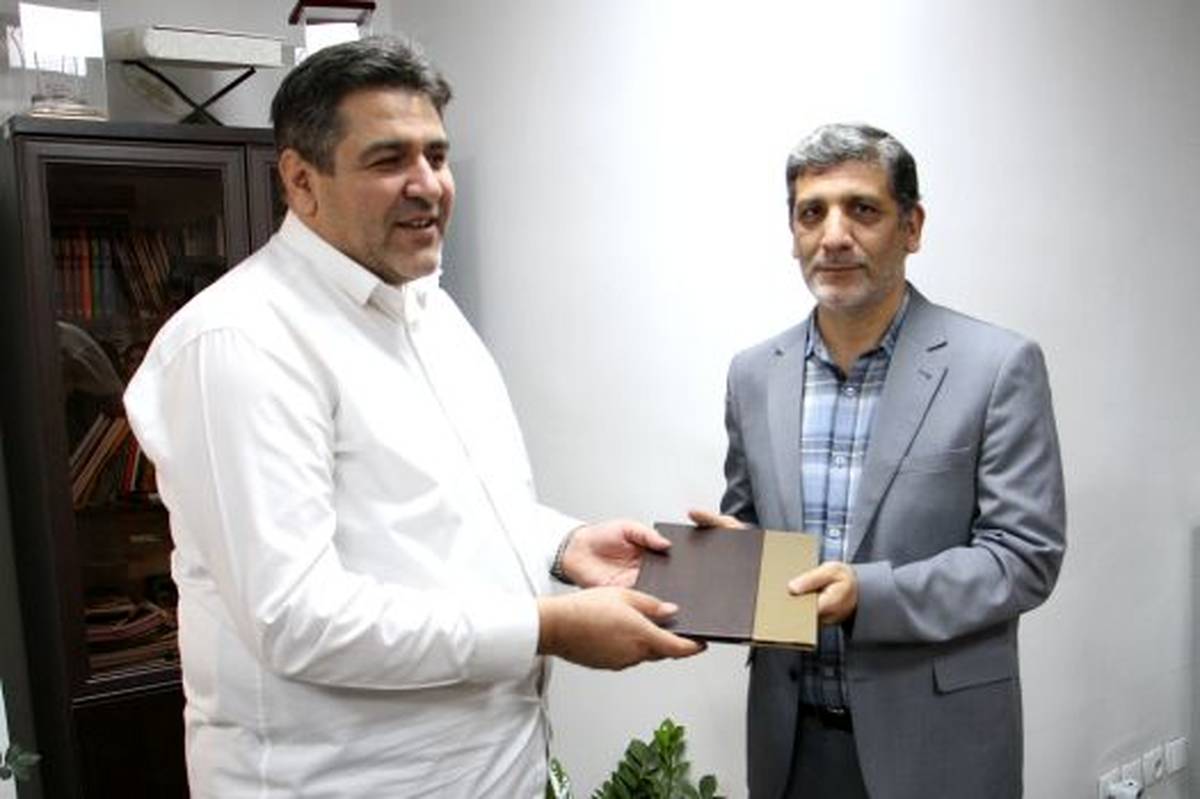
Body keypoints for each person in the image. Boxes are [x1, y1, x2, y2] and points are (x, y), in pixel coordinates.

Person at [124, 36, 701, 798]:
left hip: (495, 772)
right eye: (388, 159)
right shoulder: (242, 341)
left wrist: (564, 545)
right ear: (301, 180)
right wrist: (548, 627)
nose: (427, 185)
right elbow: (298, 618)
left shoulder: (427, 307)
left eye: (437, 154)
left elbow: (439, 513)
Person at [690, 123, 1065, 799]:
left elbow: (1024, 557)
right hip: (790, 744)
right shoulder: (754, 375)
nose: (834, 235)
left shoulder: (996, 366)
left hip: (939, 748)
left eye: (862, 209)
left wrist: (870, 594)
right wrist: (727, 559)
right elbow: (752, 530)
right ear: (793, 233)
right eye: (812, 213)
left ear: (911, 227)